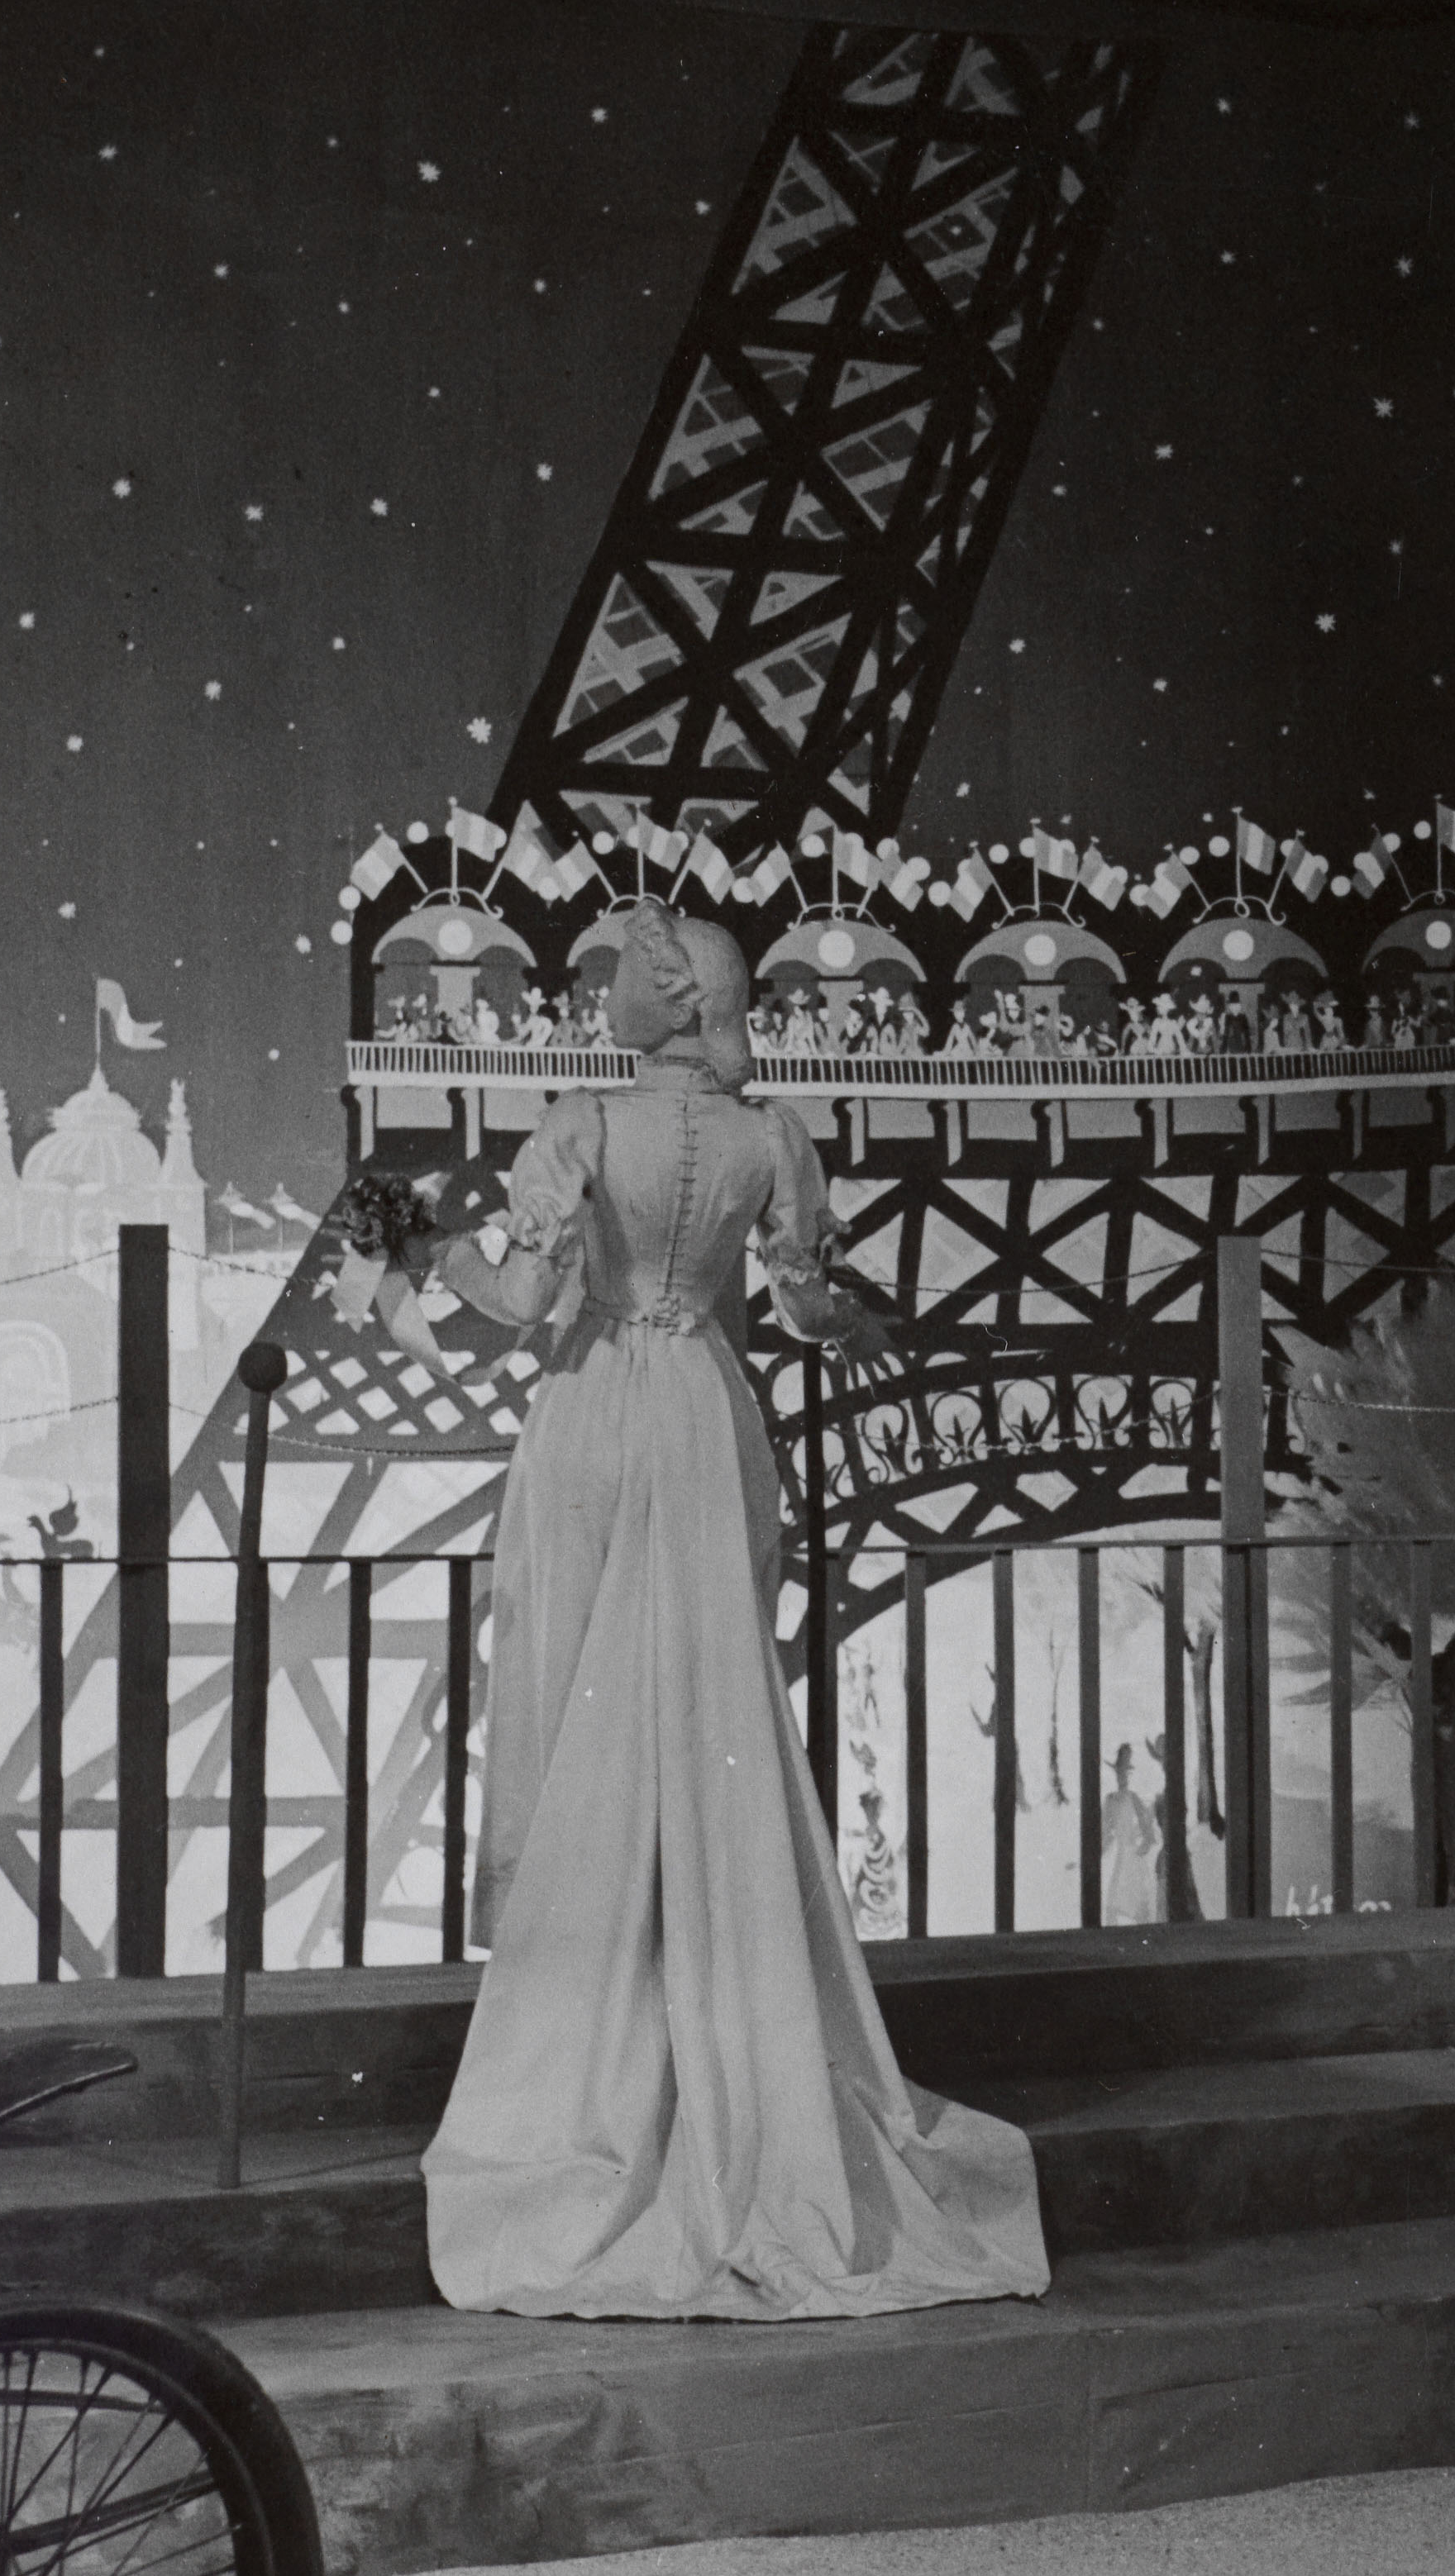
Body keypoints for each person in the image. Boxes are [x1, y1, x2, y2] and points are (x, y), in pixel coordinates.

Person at [369, 900, 1045, 2320]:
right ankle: (726, 2044)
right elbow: (804, 1309)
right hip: (703, 1412)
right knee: (706, 1708)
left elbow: (521, 1299)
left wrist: (414, 1264)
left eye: (619, 978)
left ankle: (595, 2054)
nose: (603, 995)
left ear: (660, 1002)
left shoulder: (579, 1124)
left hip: (595, 1411)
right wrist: (855, 1319)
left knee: (586, 1707)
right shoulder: (767, 1135)